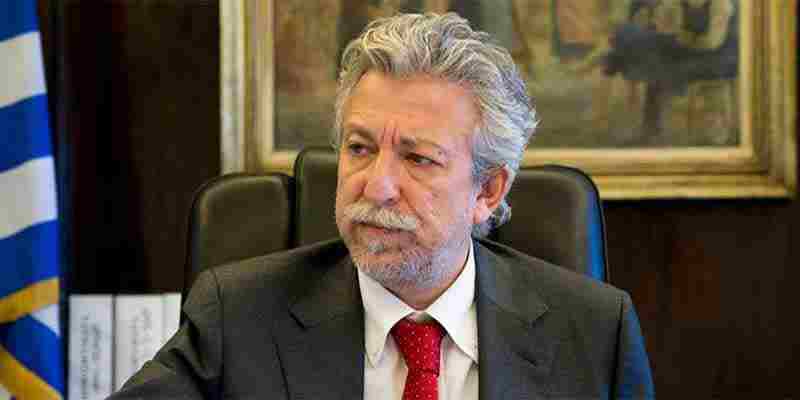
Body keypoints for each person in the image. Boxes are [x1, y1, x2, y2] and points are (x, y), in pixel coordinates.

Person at [109, 12, 654, 399]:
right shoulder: (239, 317)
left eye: (417, 159)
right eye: (360, 149)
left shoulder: (593, 334)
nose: (376, 186)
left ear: (487, 191)